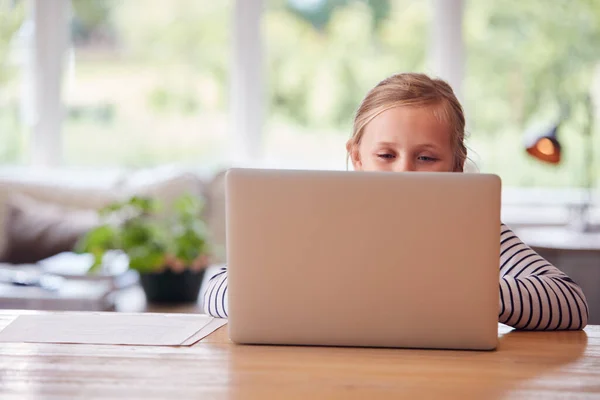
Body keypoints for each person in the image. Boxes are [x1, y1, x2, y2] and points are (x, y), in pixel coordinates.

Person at [203, 73, 588, 330]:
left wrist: (463, 289)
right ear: (357, 157)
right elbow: (215, 288)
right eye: (386, 155)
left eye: (426, 158)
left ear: (455, 165)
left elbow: (570, 303)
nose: (404, 172)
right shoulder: (319, 220)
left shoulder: (470, 228)